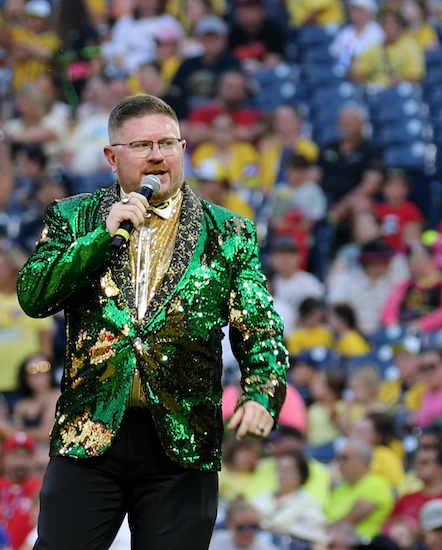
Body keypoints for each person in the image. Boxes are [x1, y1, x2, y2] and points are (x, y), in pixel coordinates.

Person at [18, 94, 289, 548]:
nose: (157, 156)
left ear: (183, 149)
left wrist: (261, 392)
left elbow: (259, 325)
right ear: (112, 156)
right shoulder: (73, 217)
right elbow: (34, 296)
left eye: (167, 143)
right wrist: (101, 240)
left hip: (182, 441)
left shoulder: (229, 232)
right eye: (142, 145)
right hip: (90, 431)